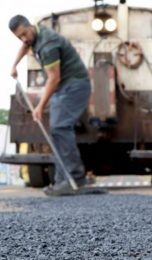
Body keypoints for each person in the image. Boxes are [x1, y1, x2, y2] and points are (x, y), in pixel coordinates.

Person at [8, 14, 91, 196]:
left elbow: (54, 78)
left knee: (60, 127)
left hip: (75, 85)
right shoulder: (34, 35)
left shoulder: (48, 45)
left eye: (24, 34)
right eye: (19, 37)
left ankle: (75, 179)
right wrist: (15, 65)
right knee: (56, 130)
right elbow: (25, 45)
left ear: (30, 26)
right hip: (64, 87)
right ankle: (63, 180)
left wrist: (39, 107)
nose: (24, 39)